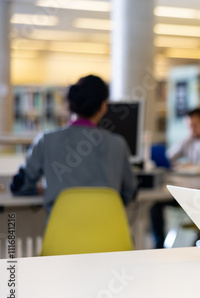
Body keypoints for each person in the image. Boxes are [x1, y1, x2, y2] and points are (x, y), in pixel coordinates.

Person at [10, 75, 137, 213]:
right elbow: (130, 192)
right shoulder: (118, 144)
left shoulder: (46, 140)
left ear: (70, 104)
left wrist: (45, 189)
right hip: (108, 231)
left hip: (62, 232)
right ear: (103, 106)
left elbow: (20, 186)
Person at [150, 107, 200, 248]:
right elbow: (168, 158)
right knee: (155, 204)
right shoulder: (190, 139)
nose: (192, 130)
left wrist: (189, 166)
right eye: (189, 127)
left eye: (195, 126)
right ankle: (159, 245)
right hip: (190, 192)